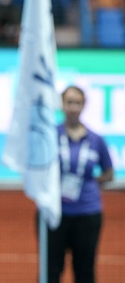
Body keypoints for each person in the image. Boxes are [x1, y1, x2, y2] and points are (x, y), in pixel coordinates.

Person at [45, 85, 113, 283]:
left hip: (87, 214)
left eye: (77, 102)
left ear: (84, 105)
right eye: (69, 102)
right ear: (62, 105)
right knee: (51, 269)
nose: (73, 107)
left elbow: (108, 173)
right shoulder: (50, 136)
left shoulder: (96, 139)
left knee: (85, 270)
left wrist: (89, 183)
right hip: (55, 213)